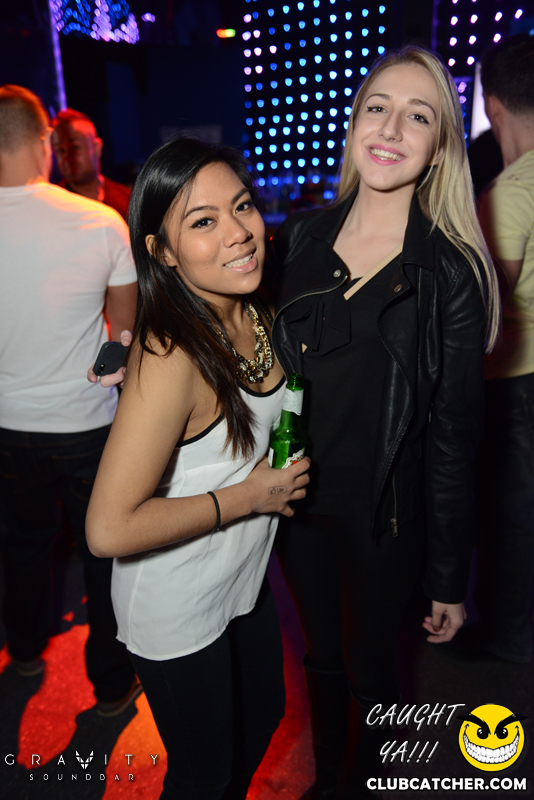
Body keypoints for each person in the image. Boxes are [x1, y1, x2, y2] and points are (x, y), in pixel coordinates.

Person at [269, 46, 499, 799]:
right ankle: (329, 779)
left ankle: (368, 782)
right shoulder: (299, 237)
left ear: (439, 149)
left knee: (372, 664)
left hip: (387, 518)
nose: (392, 128)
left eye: (418, 116)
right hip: (295, 501)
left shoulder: (451, 270)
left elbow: (453, 438)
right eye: (378, 107)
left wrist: (448, 577)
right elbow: (250, 353)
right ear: (355, 123)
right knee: (319, 655)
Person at [85, 137, 310, 799]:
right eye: (203, 221)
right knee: (202, 776)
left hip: (239, 577)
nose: (239, 232)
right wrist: (251, 495)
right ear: (162, 251)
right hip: (175, 603)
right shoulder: (170, 354)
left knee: (263, 714)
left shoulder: (260, 311)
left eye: (241, 206)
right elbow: (106, 529)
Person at [0, 85, 139, 715]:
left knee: (21, 544)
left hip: (8, 428)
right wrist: (99, 377)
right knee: (103, 553)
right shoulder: (99, 220)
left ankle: (25, 652)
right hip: (85, 425)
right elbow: (123, 334)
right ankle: (109, 687)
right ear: (43, 143)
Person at [472, 34, 534, 663]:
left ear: (492, 105)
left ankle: (503, 641)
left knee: (508, 518)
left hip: (517, 383)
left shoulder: (510, 193)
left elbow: (488, 313)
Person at [51, 108, 131, 221]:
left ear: (97, 148)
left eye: (75, 147)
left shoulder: (127, 201)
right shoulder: (52, 204)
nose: (67, 156)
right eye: (60, 150)